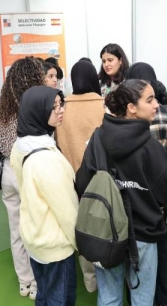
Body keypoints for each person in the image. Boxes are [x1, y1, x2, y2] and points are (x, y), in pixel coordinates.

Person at [76, 79, 167, 305]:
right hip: (143, 234)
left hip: (106, 232)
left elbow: (82, 182)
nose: (156, 105)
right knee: (142, 298)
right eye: (149, 100)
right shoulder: (150, 147)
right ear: (131, 107)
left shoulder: (97, 139)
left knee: (109, 297)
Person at [0, 57, 45, 300]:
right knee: (37, 227)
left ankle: (24, 281)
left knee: (16, 229)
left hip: (8, 170)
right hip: (32, 169)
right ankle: (38, 282)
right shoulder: (36, 103)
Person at [10, 86, 78, 306]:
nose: (60, 110)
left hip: (34, 233)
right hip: (55, 243)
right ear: (37, 111)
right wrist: (80, 243)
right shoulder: (46, 159)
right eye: (53, 107)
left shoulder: (21, 145)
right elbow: (66, 210)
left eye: (60, 104)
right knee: (60, 298)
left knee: (44, 294)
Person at [126, 61, 167, 304]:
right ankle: (165, 299)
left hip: (136, 198)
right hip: (165, 194)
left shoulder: (129, 116)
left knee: (138, 255)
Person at [55, 60, 104, 293]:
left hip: (73, 180)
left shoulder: (62, 108)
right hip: (103, 180)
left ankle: (90, 280)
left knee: (82, 228)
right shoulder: (104, 105)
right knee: (106, 227)